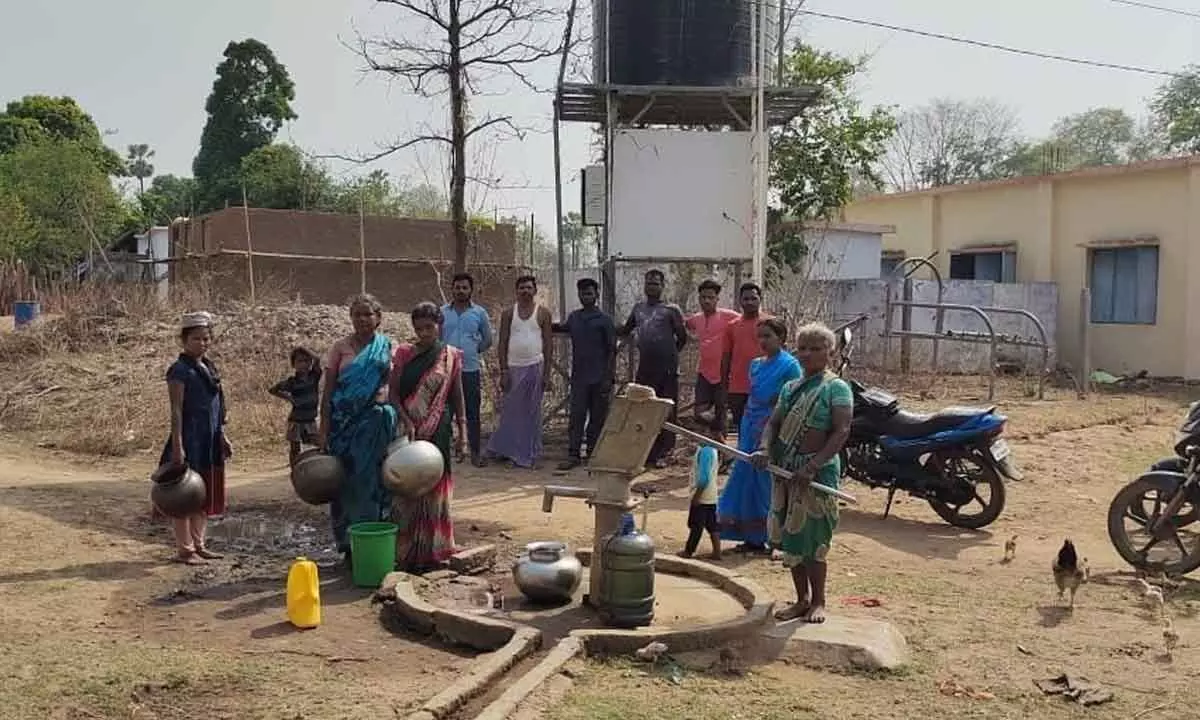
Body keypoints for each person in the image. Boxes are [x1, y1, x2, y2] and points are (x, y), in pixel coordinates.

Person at [751, 322, 852, 624]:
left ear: (829, 353)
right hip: (785, 470)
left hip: (817, 473)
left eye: (816, 349)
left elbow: (841, 431)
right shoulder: (790, 387)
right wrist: (765, 449)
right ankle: (800, 600)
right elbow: (773, 423)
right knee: (791, 537)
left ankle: (818, 600)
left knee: (814, 539)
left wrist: (812, 466)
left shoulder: (836, 388)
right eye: (803, 348)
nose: (808, 354)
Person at [319, 294, 397, 565]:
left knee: (373, 482)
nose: (362, 319)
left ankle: (373, 539)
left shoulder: (385, 346)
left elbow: (391, 385)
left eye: (368, 314)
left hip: (373, 425)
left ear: (378, 318)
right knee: (345, 484)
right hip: (343, 426)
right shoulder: (340, 348)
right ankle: (348, 546)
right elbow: (328, 390)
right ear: (351, 318)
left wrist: (384, 399)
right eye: (357, 315)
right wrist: (324, 427)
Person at [389, 302, 466, 572]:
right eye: (419, 328)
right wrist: (408, 420)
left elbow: (457, 396)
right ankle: (407, 549)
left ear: (439, 325)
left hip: (439, 428)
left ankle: (436, 548)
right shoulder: (404, 354)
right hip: (407, 430)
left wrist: (463, 433)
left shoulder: (450, 356)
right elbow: (393, 394)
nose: (424, 333)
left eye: (429, 327)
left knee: (435, 485)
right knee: (407, 485)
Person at [718, 318, 801, 555]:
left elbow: (790, 401)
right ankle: (750, 536)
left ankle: (774, 538)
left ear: (781, 338)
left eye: (768, 336)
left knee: (767, 480)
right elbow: (752, 394)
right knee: (746, 477)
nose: (763, 341)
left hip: (773, 425)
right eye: (760, 337)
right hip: (749, 422)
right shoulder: (755, 365)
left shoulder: (790, 365)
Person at [160, 311, 231, 565]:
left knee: (204, 494)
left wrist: (222, 434)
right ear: (184, 340)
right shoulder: (179, 371)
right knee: (184, 497)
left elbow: (217, 405)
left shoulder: (209, 367)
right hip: (189, 438)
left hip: (209, 438)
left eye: (206, 338)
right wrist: (178, 446)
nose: (202, 343)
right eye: (196, 339)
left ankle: (200, 544)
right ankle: (185, 549)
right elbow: (176, 409)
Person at [620, 269, 687, 468]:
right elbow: (626, 329)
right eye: (649, 283)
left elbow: (682, 337)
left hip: (667, 368)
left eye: (656, 283)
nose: (652, 287)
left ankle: (666, 452)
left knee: (667, 410)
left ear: (662, 286)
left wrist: (670, 355)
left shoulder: (671, 309)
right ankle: (646, 450)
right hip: (645, 367)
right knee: (644, 408)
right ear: (644, 286)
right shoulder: (638, 309)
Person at [487, 275, 553, 468]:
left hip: (535, 366)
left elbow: (548, 345)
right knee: (511, 412)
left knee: (532, 412)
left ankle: (528, 453)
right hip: (513, 368)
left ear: (534, 291)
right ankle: (507, 450)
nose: (525, 291)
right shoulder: (509, 313)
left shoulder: (543, 313)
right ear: (516, 291)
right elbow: (502, 342)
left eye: (529, 288)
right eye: (521, 288)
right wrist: (504, 370)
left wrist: (547, 374)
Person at [554, 277, 616, 470]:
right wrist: (543, 323)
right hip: (579, 377)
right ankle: (573, 454)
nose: (585, 296)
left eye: (589, 293)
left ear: (596, 295)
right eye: (582, 293)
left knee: (598, 417)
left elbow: (612, 350)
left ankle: (593, 453)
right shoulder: (575, 318)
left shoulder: (605, 320)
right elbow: (561, 328)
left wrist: (609, 378)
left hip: (600, 377)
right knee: (576, 416)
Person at [441, 272, 493, 467]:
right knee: (446, 412)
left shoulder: (479, 313)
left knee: (472, 412)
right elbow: (437, 339)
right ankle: (444, 454)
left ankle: (475, 453)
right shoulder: (442, 313)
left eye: (465, 287)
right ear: (452, 289)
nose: (461, 291)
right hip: (445, 370)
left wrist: (472, 350)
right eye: (457, 287)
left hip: (470, 369)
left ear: (471, 290)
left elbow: (487, 340)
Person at [686, 279, 738, 438]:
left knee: (721, 412)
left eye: (710, 297)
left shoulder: (728, 316)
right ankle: (706, 443)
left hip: (722, 373)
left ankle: (721, 449)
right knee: (700, 413)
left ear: (717, 299)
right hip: (704, 372)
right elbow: (684, 324)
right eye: (703, 297)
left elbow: (747, 322)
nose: (706, 300)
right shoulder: (697, 319)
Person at [722, 282, 772, 435]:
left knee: (765, 427)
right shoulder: (732, 326)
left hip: (765, 385)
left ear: (760, 299)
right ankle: (744, 457)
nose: (749, 302)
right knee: (742, 427)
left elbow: (781, 354)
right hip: (738, 387)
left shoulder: (770, 323)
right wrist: (724, 384)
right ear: (740, 301)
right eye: (746, 299)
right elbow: (726, 356)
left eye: (753, 298)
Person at [269, 347, 322, 465]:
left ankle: (318, 467)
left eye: (306, 361)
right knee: (295, 448)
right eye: (299, 361)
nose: (303, 364)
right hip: (296, 419)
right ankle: (295, 470)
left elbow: (317, 359)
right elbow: (273, 390)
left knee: (318, 442)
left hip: (310, 419)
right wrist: (289, 398)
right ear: (293, 364)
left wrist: (304, 349)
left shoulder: (314, 377)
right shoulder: (292, 382)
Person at [678, 433, 722, 560]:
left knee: (696, 525)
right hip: (711, 494)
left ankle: (688, 551)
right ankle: (717, 552)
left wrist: (697, 496)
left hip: (703, 494)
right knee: (711, 524)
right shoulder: (712, 450)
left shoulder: (705, 451)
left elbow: (703, 478)